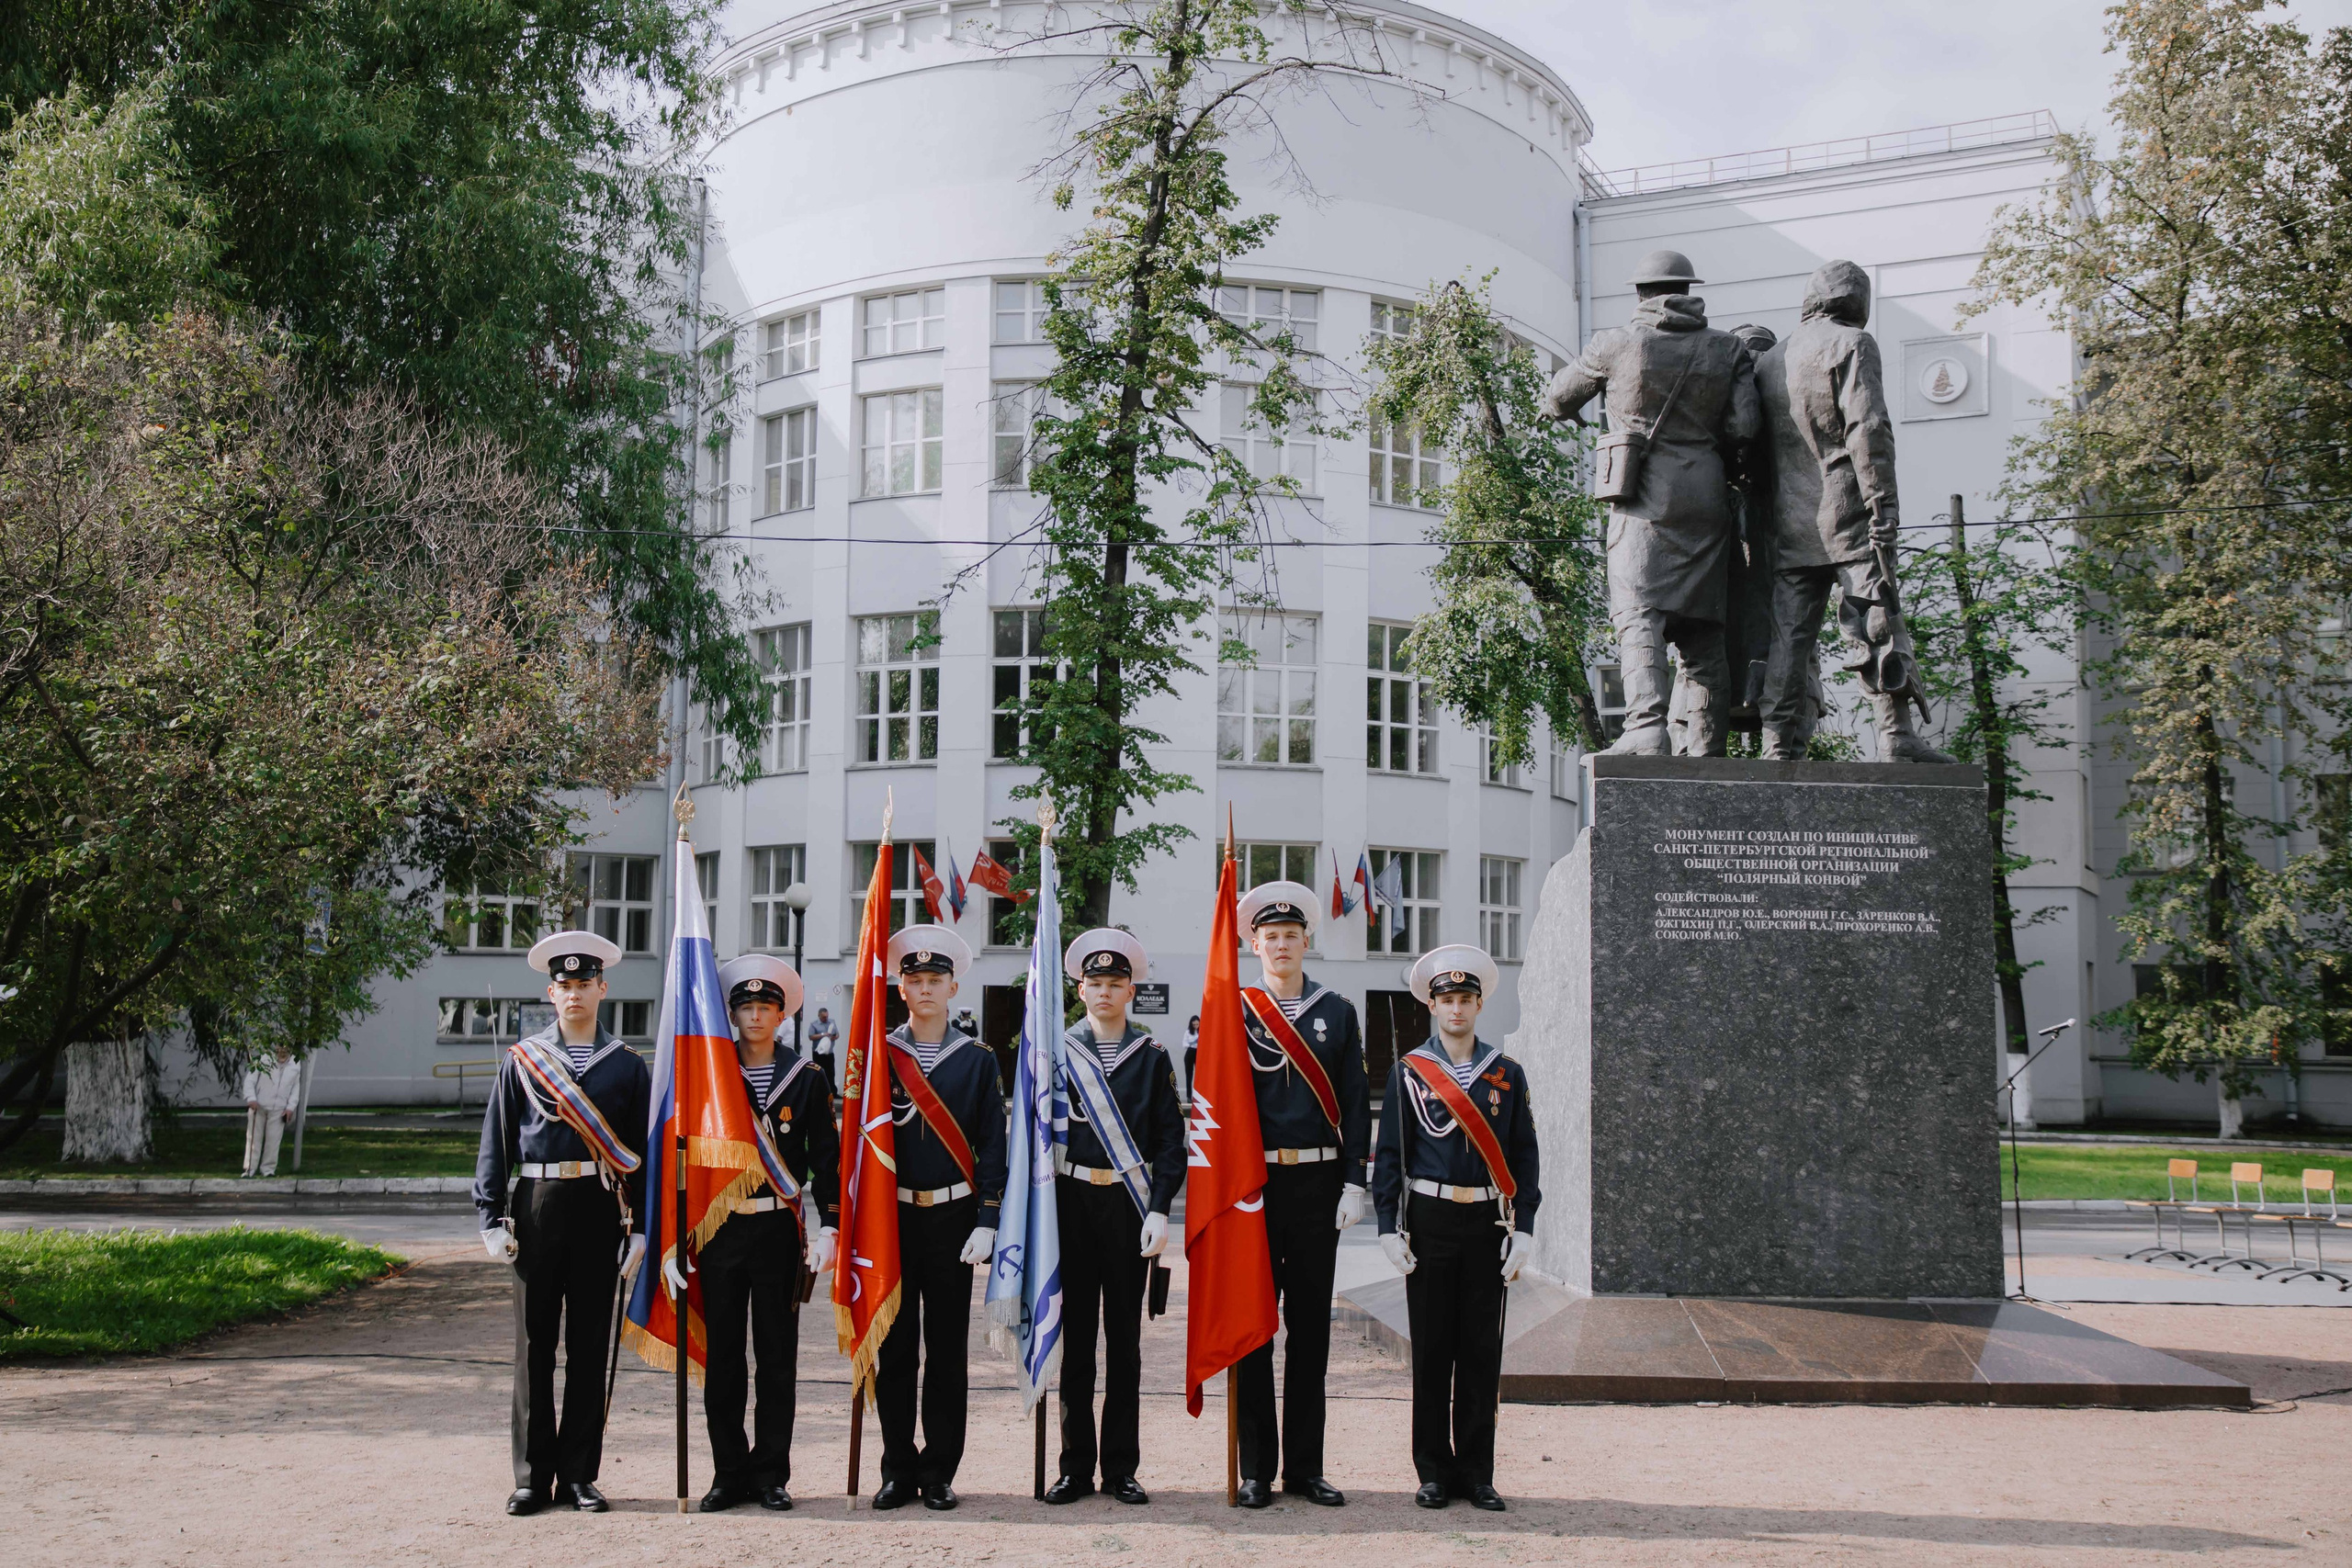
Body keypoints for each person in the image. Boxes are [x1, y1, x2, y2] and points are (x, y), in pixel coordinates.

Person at [1544, 248, 1760, 757]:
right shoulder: (1727, 351)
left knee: (1639, 612)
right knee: (1705, 629)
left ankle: (1646, 726)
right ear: (1688, 292)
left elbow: (1558, 397)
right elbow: (1745, 428)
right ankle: (1708, 744)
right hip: (1707, 497)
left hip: (1642, 496)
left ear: (1640, 293)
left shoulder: (1615, 344)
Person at [474, 931, 650, 1517]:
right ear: (551, 992)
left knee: (589, 1344)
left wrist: (643, 1228)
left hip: (598, 1206)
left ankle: (579, 1475)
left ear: (603, 988)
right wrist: (491, 1215)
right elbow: (497, 1141)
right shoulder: (523, 1061)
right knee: (534, 1346)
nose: (575, 995)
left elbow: (641, 1153)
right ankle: (531, 1475)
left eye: (585, 984)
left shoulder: (626, 1065)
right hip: (537, 1203)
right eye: (565, 986)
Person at [1754, 260, 1953, 763]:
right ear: (1854, 299)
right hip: (1848, 511)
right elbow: (1868, 428)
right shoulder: (1851, 344)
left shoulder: (1769, 361)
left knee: (1789, 639)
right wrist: (1882, 504)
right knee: (1876, 618)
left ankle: (1776, 744)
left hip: (1788, 523)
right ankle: (1895, 735)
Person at [1215, 880, 1371, 1509]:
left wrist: (1355, 1180)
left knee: (1310, 1330)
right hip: (1255, 1187)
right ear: (1254, 944)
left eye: (1290, 935)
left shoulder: (1339, 1009)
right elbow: (1215, 1107)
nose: (1281, 944)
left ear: (1307, 941)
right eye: (1269, 936)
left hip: (1317, 1184)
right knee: (1255, 1328)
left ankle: (1305, 1466)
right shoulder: (1234, 1009)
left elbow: (1357, 1100)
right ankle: (1257, 1467)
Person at [1373, 945, 1540, 1514]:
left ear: (1479, 1004)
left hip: (1487, 1221)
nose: (1457, 1009)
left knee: (1479, 1352)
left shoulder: (1506, 1074)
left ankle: (1477, 1471)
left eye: (1466, 999)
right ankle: (1433, 1471)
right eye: (1447, 1000)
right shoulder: (1410, 1072)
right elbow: (1391, 1153)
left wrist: (1526, 1227)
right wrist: (1387, 1226)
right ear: (1432, 1006)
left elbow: (1524, 1154)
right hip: (1430, 1218)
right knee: (1432, 1350)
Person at [1043, 929, 1187, 1506]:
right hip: (1073, 1208)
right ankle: (1075, 1467)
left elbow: (1170, 1142)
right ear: (1080, 989)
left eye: (1115, 984)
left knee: (1124, 1345)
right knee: (1076, 1344)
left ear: (1131, 990)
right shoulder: (1056, 1052)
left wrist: (1159, 1209)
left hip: (1128, 1212)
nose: (1104, 992)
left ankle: (1121, 1467)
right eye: (1095, 983)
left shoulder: (1151, 1057)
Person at [695, 954, 841, 1513]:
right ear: (731, 1013)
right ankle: (728, 1473)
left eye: (766, 1007)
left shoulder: (804, 1077)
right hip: (721, 1230)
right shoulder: (710, 1071)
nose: (755, 1016)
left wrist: (828, 1224)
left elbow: (825, 1161)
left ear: (782, 1015)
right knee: (725, 1358)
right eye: (746, 1007)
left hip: (778, 1229)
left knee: (777, 1359)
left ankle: (771, 1473)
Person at [872, 924, 1006, 1512]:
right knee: (894, 1349)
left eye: (935, 980)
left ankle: (939, 1471)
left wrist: (988, 1216)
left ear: (954, 987)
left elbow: (992, 1142)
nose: (925, 989)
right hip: (892, 1219)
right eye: (914, 979)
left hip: (954, 1220)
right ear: (901, 988)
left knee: (946, 1352)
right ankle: (898, 1468)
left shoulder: (977, 1061)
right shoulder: (878, 1053)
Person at [239, 1047, 301, 1178]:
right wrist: (251, 1098)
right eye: (280, 1047)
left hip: (279, 1108)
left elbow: (295, 1088)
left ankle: (268, 1169)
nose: (283, 1050)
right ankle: (249, 1169)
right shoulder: (263, 1059)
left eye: (286, 1047)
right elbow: (250, 1080)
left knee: (273, 1141)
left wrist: (290, 1107)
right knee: (254, 1138)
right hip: (259, 1106)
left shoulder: (296, 1063)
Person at [805, 1006, 840, 1093]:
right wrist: (823, 1035)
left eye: (827, 1016)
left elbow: (837, 1035)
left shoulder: (831, 1023)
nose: (826, 1018)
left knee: (831, 1072)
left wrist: (831, 1037)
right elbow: (811, 1036)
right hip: (818, 1053)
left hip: (829, 1052)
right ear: (819, 1016)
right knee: (818, 1072)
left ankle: (832, 1092)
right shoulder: (814, 1024)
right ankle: (819, 1092)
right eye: (824, 1017)